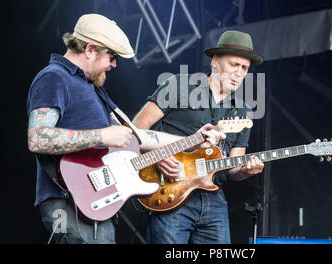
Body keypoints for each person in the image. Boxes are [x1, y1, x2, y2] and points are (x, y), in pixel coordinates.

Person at [26, 14, 225, 244]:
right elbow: (37, 138)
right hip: (68, 199)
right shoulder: (53, 77)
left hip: (96, 202)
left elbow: (136, 136)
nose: (114, 64)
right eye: (111, 56)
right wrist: (102, 135)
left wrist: (194, 140)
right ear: (89, 50)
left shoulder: (91, 86)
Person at [133, 30, 265, 244]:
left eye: (244, 68)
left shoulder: (243, 111)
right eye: (234, 65)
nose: (239, 73)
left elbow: (233, 170)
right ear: (215, 62)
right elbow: (138, 127)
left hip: (214, 198)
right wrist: (158, 157)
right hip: (171, 188)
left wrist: (247, 170)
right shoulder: (178, 85)